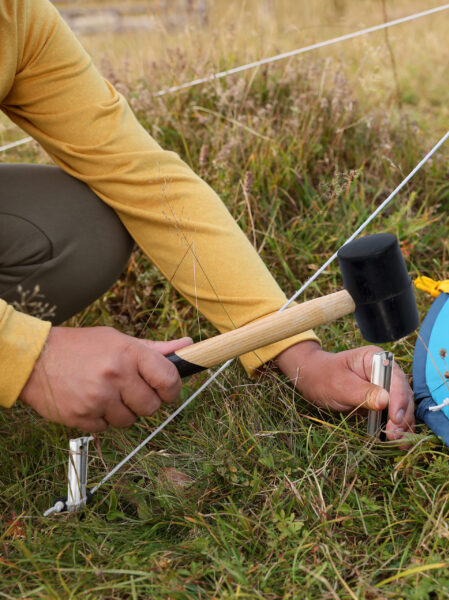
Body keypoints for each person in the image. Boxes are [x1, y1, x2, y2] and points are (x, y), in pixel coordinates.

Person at [0, 0, 414, 439]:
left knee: (83, 228)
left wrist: (296, 353)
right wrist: (28, 354)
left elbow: (138, 175)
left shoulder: (17, 16)